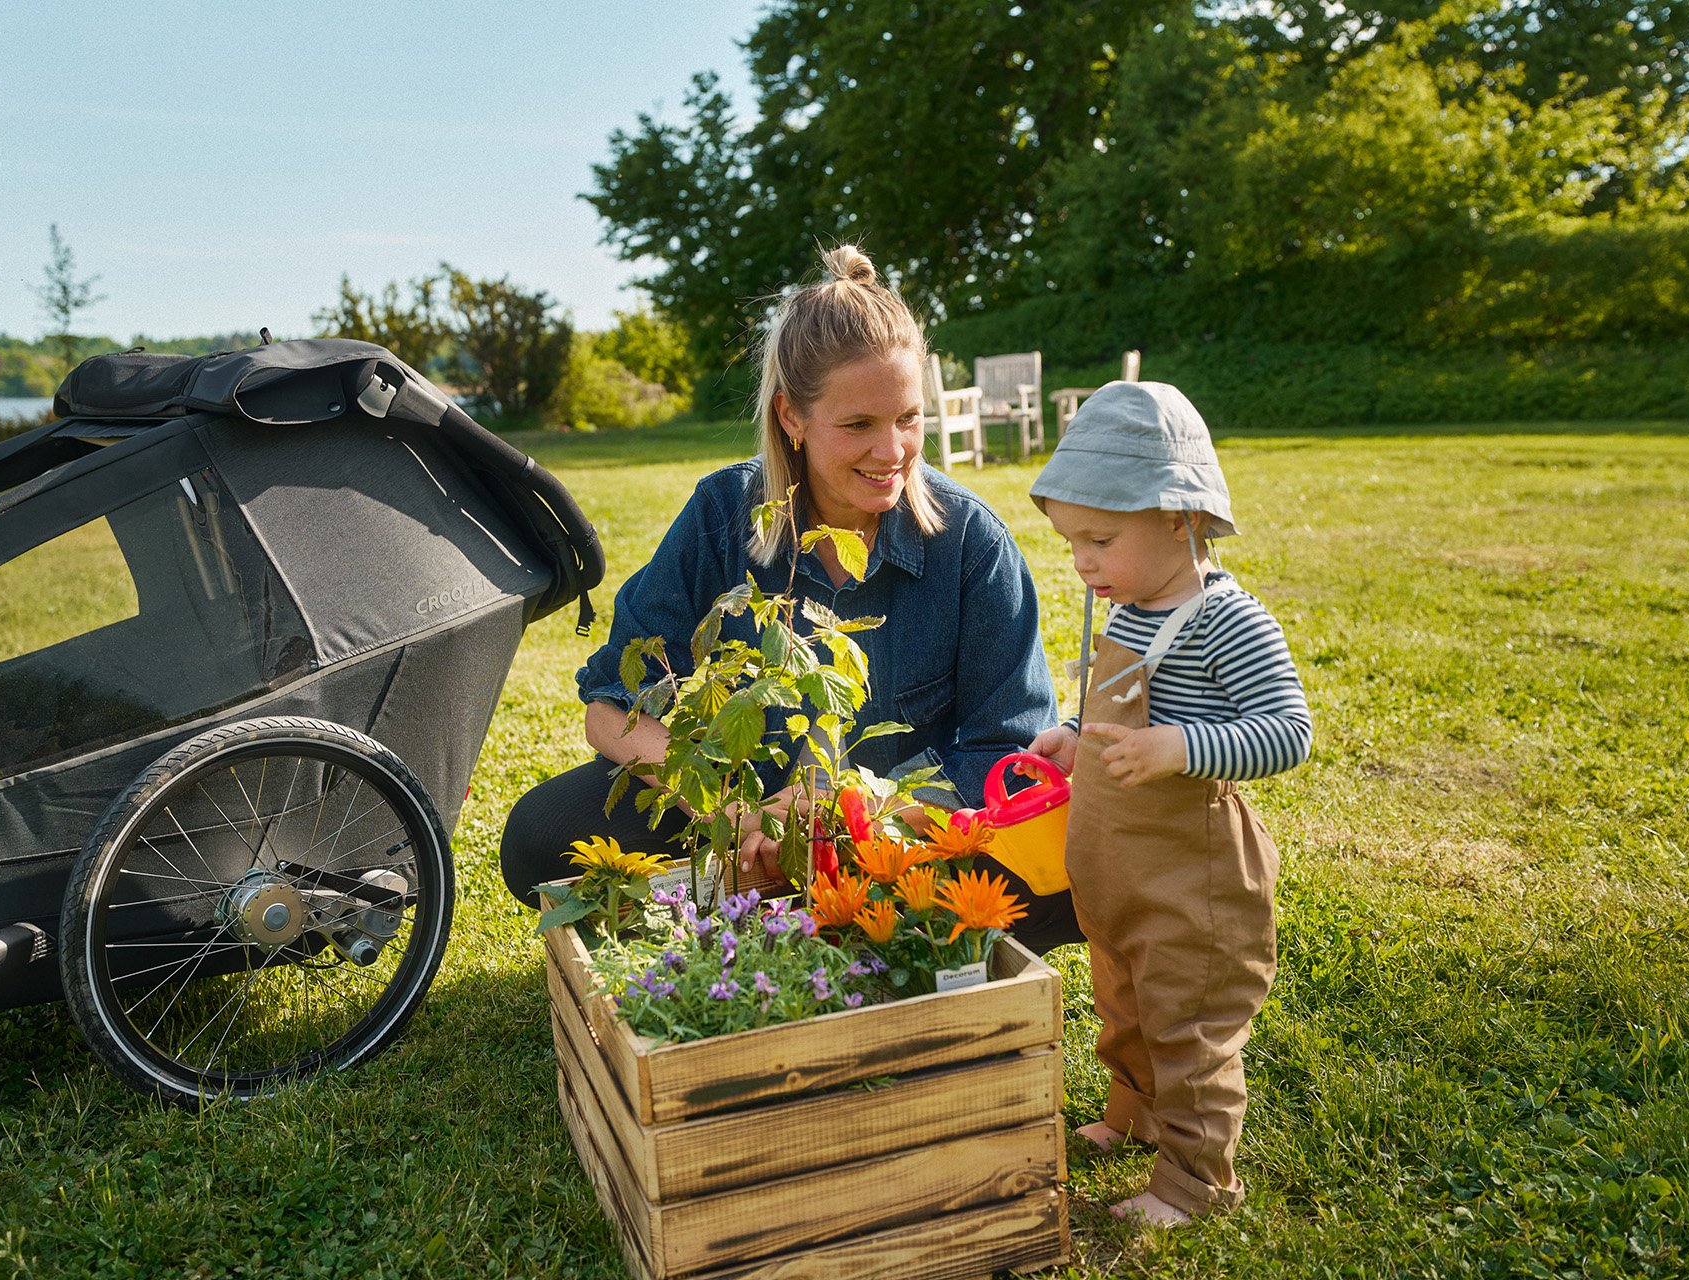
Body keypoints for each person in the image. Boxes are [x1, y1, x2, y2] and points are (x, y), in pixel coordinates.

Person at [498, 245, 1082, 953]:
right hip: (731, 813)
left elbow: (1005, 751)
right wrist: (731, 810)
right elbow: (612, 710)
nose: (893, 450)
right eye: (859, 425)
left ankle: (823, 916)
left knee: (1071, 872)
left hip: (897, 837)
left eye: (908, 418)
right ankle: (761, 907)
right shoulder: (723, 515)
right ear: (791, 418)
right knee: (539, 838)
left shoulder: (970, 545)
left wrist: (852, 806)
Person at [1023, 380, 1312, 1225]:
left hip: (1194, 877)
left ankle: (1195, 1183)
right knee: (1125, 1002)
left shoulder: (1226, 620)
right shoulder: (1127, 610)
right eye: (1073, 541)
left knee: (1187, 1022)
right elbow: (1118, 706)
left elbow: (1288, 731)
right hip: (1119, 872)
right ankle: (1137, 1112)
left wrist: (1181, 746)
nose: (1082, 563)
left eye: (1101, 540)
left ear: (1180, 520)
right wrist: (1077, 734)